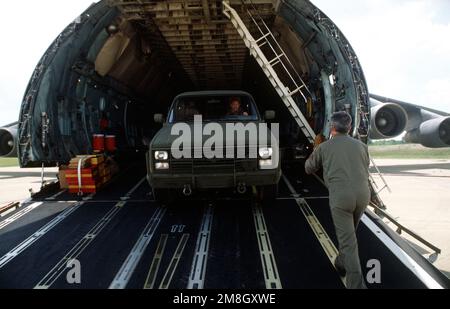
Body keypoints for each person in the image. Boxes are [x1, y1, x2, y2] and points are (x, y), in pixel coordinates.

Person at [305, 111, 370, 289]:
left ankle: (357, 286)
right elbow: (365, 167)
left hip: (342, 198)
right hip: (363, 195)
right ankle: (341, 262)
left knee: (348, 243)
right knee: (350, 235)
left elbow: (308, 168)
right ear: (349, 127)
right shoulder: (361, 146)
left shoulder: (324, 147)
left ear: (332, 128)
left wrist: (315, 149)